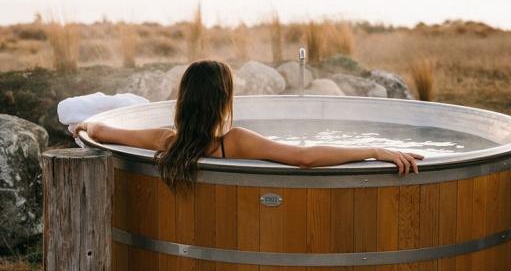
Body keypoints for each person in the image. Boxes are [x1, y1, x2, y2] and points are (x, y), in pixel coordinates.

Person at [74, 60, 423, 188]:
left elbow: (103, 131)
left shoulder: (167, 141)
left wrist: (83, 126)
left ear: (185, 100)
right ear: (223, 101)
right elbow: (304, 157)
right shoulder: (236, 142)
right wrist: (375, 150)